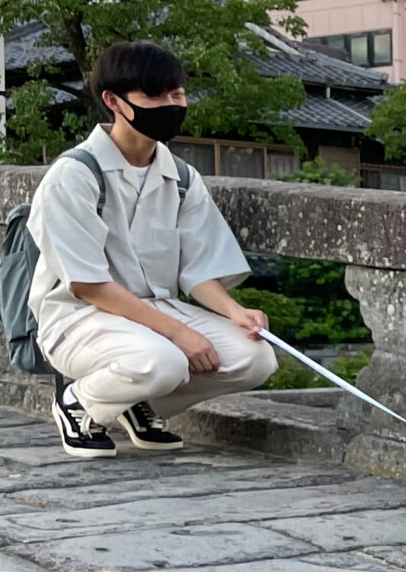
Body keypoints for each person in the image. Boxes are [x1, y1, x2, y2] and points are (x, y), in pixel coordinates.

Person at [30, 42, 276, 459]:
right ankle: (79, 402)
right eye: (154, 96)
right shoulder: (74, 176)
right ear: (113, 101)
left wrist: (236, 312)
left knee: (255, 357)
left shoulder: (181, 178)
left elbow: (197, 270)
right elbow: (88, 285)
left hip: (155, 311)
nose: (171, 105)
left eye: (176, 94)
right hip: (79, 318)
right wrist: (179, 334)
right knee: (166, 360)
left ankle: (131, 400)